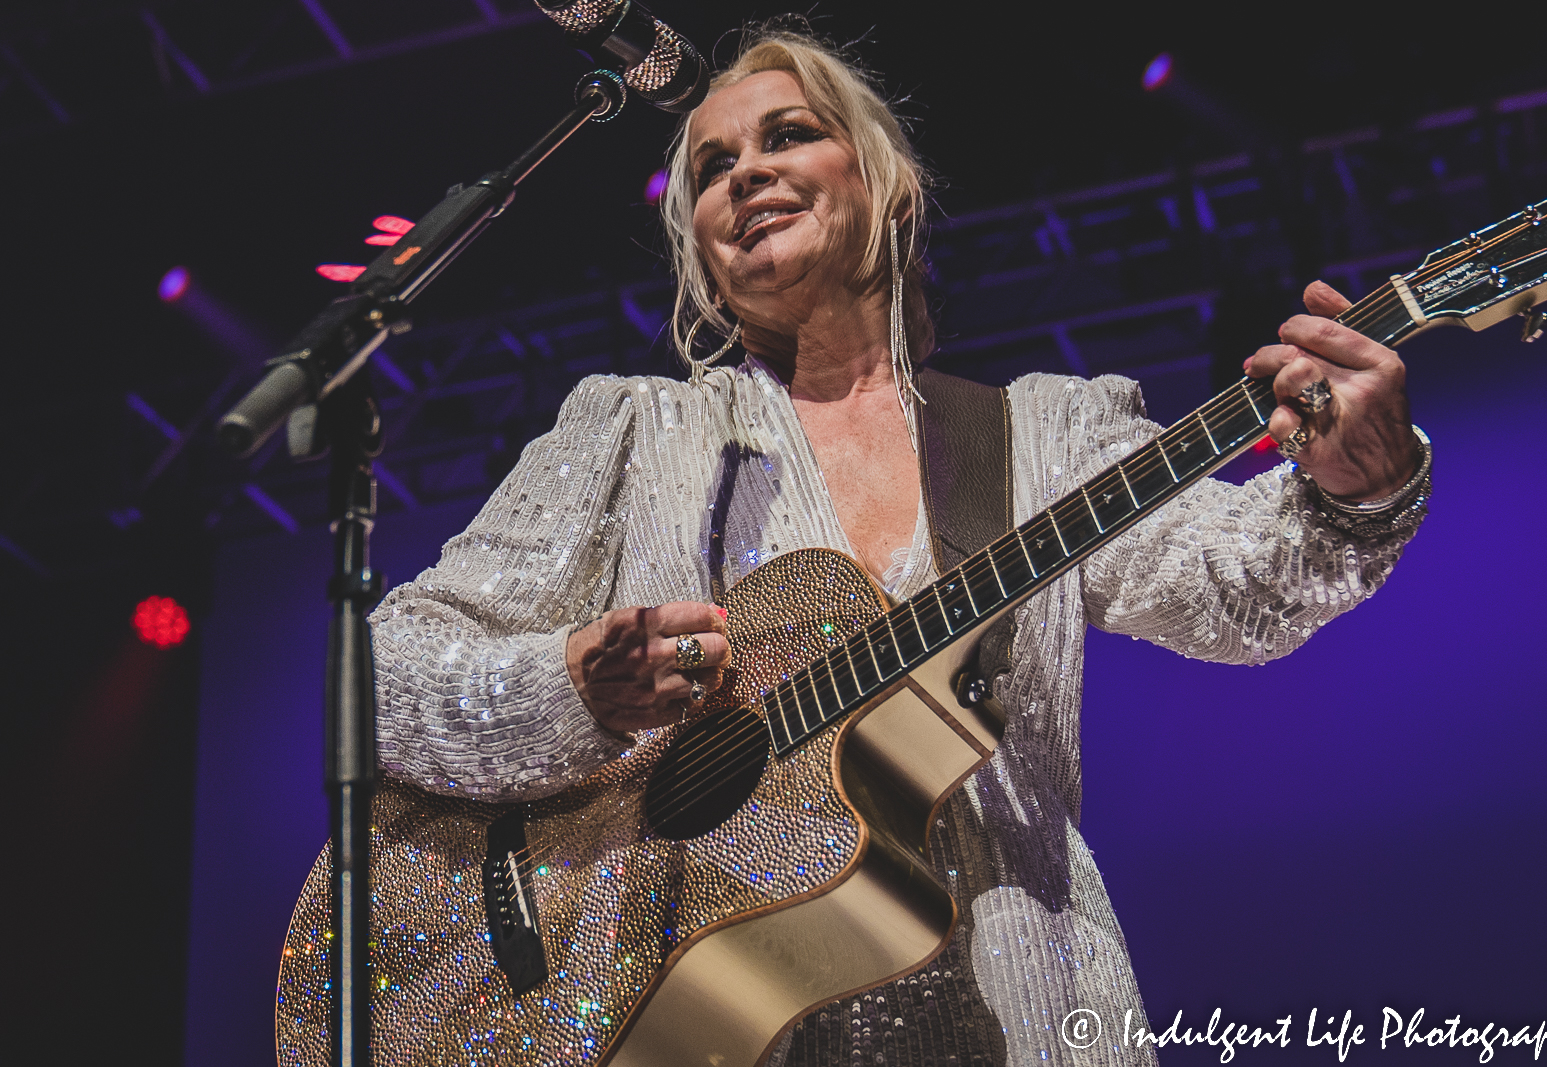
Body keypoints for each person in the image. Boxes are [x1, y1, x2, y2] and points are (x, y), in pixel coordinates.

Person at [367, 28, 1430, 1067]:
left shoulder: (1041, 436)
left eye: (787, 134)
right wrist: (570, 687)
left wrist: (1358, 486)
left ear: (886, 185)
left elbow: (1243, 592)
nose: (747, 173)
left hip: (1029, 1006)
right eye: (713, 165)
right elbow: (381, 675)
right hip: (679, 1010)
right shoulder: (637, 433)